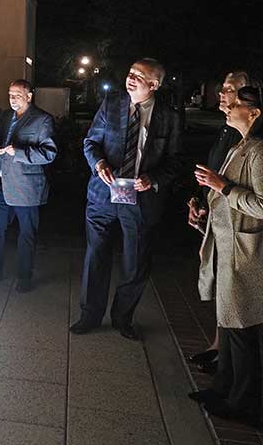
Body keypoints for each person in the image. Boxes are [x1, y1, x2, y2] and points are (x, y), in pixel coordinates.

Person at [190, 86, 263, 425]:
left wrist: (222, 187)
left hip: (249, 254)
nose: (229, 105)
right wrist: (208, 206)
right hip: (229, 248)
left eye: (238, 103)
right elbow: (229, 194)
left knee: (241, 329)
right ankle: (223, 389)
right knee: (229, 323)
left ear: (255, 113)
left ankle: (244, 402)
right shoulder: (242, 145)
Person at [71, 58, 182, 339]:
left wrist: (153, 179)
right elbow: (90, 142)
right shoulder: (112, 104)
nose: (130, 78)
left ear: (154, 85)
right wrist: (99, 164)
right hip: (103, 196)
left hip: (141, 201)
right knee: (95, 256)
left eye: (139, 76)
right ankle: (89, 315)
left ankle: (123, 318)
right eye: (130, 72)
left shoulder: (169, 117)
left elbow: (175, 161)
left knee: (135, 263)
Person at [186, 71, 258, 374]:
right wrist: (199, 201)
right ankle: (219, 349)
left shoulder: (254, 142)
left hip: (237, 225)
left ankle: (226, 359)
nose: (222, 95)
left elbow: (262, 198)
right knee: (219, 284)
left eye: (230, 91)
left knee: (232, 292)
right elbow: (213, 171)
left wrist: (219, 190)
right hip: (216, 214)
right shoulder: (227, 129)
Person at [0, 80, 57, 292]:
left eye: (17, 95)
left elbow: (49, 154)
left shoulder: (42, 120)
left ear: (29, 96)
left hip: (26, 187)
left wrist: (18, 152)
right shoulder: (3, 117)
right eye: (10, 94)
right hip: (0, 183)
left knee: (27, 233)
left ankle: (24, 276)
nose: (12, 99)